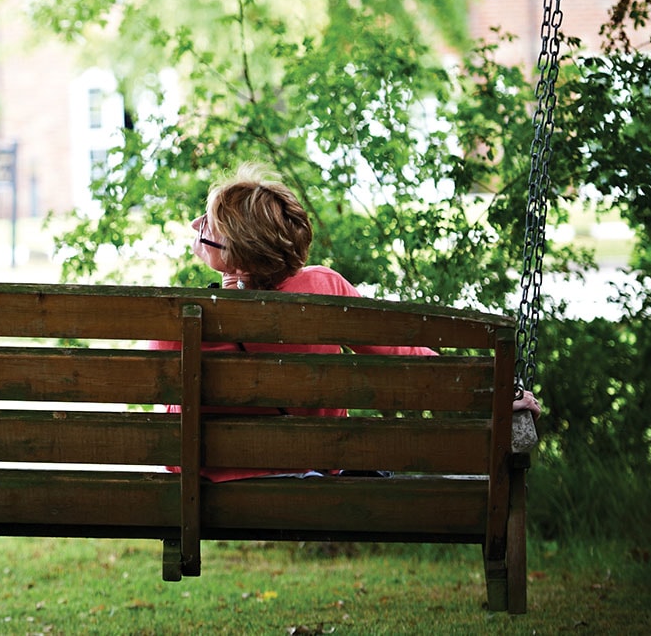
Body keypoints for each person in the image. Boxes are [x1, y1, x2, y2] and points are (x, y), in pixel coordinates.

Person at [163, 163, 542, 482]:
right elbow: (403, 355)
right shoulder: (322, 288)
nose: (196, 224)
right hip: (310, 480)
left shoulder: (179, 315)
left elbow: (170, 429)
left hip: (207, 490)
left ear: (234, 248)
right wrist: (493, 388)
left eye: (208, 224)